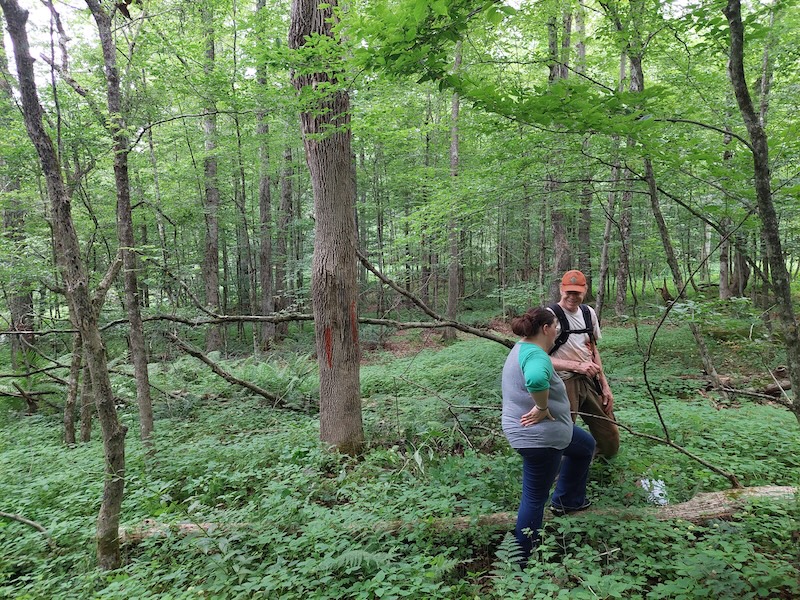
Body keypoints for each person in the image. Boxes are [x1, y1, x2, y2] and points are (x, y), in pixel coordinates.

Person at [501, 307, 595, 559]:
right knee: (533, 498)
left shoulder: (522, 348)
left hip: (541, 432)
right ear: (545, 329)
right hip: (540, 438)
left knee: (585, 446)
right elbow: (535, 380)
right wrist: (542, 407)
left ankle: (567, 500)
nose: (557, 332)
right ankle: (522, 560)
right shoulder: (537, 357)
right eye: (555, 327)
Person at [548, 270, 620, 459]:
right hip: (562, 382)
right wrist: (575, 366)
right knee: (562, 433)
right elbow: (537, 357)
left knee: (609, 432)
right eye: (568, 291)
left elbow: (593, 350)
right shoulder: (549, 317)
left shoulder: (589, 313)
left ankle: (601, 464)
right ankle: (555, 475)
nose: (572, 296)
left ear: (585, 290)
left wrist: (605, 385)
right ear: (561, 289)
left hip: (590, 379)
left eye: (577, 292)